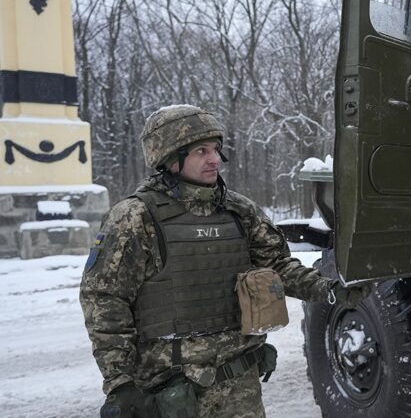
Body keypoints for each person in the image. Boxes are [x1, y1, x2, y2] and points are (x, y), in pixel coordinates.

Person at [80, 105, 370, 418]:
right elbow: (105, 300)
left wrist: (329, 289)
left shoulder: (240, 212)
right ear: (169, 158)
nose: (214, 159)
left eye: (216, 149)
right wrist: (120, 383)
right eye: (201, 151)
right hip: (170, 394)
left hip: (240, 387)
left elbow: (279, 267)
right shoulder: (135, 219)